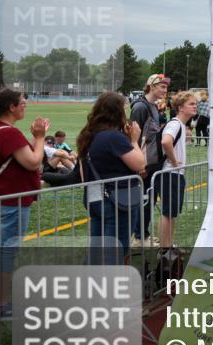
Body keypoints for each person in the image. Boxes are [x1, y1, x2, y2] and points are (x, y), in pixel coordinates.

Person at [0, 88, 49, 322]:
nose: (25, 105)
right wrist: (39, 137)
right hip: (11, 201)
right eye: (23, 103)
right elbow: (33, 161)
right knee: (5, 253)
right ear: (11, 107)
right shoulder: (8, 133)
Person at [78, 92, 146, 262]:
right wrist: (134, 140)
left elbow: (82, 171)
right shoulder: (114, 137)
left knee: (96, 247)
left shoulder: (87, 135)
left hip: (94, 196)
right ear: (117, 112)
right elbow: (140, 164)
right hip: (117, 200)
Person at [130, 74, 170, 247]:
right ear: (151, 86)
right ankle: (139, 237)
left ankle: (142, 234)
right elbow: (134, 137)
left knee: (150, 200)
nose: (165, 90)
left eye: (166, 87)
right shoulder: (140, 107)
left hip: (153, 161)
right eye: (161, 86)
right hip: (144, 163)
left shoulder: (153, 106)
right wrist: (139, 164)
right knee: (145, 200)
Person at [157, 91, 197, 248]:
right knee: (168, 213)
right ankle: (165, 247)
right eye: (191, 104)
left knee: (171, 213)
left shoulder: (180, 125)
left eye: (195, 104)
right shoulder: (174, 124)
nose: (195, 107)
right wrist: (174, 161)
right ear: (180, 108)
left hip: (174, 174)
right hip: (170, 174)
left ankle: (168, 244)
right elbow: (166, 141)